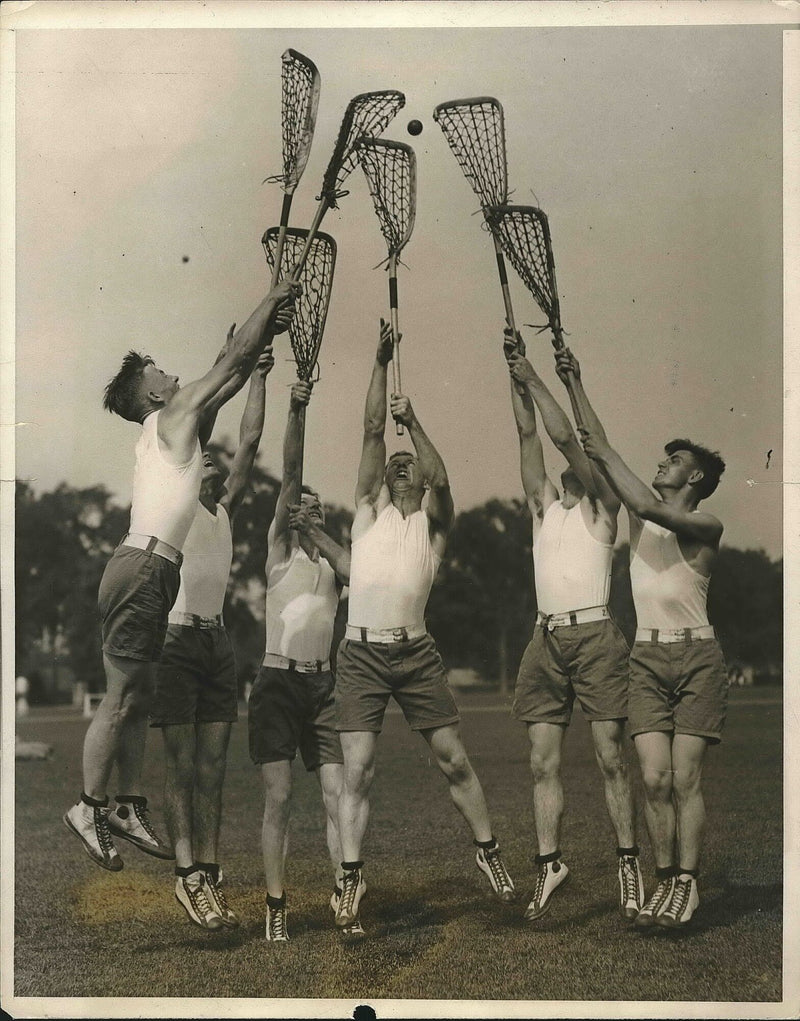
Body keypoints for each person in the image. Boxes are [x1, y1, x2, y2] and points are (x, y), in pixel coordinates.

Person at [64, 277, 300, 872]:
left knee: (138, 699)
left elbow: (228, 375)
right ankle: (88, 806)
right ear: (149, 397)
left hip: (152, 572)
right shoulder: (169, 418)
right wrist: (268, 301)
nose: (169, 375)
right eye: (158, 373)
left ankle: (127, 802)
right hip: (142, 567)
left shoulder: (174, 427)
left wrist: (252, 347)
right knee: (121, 699)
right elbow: (229, 366)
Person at [333, 319, 516, 932]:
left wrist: (415, 424)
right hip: (359, 656)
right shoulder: (366, 514)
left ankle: (488, 852)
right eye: (396, 464)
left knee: (453, 760)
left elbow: (441, 478)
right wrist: (380, 363)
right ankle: (351, 879)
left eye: (408, 463)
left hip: (415, 656)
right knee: (357, 769)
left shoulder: (434, 531)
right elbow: (368, 432)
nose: (402, 466)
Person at [558, 346, 727, 930]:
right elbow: (599, 447)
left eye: (674, 460)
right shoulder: (642, 513)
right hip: (647, 657)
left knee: (685, 778)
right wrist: (572, 378)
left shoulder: (705, 525)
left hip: (698, 657)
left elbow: (638, 498)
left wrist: (630, 482)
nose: (663, 464)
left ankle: (688, 884)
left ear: (696, 476)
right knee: (653, 778)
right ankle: (663, 880)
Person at [503, 329, 642, 923]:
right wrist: (514, 375)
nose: (565, 468)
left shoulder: (601, 507)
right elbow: (529, 431)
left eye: (575, 465)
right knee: (541, 762)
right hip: (545, 640)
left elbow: (564, 434)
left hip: (596, 638)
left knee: (611, 756)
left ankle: (629, 864)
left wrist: (539, 374)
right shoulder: (542, 511)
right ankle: (549, 864)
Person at [150, 347, 276, 931]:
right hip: (175, 643)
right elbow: (205, 421)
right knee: (181, 765)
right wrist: (237, 361)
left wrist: (260, 376)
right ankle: (186, 877)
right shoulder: (176, 505)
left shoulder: (223, 511)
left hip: (218, 646)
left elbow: (249, 440)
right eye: (205, 461)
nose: (216, 465)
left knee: (215, 766)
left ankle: (211, 869)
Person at [247, 380, 353, 943]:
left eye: (312, 505)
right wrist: (297, 408)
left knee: (339, 795)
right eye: (297, 506)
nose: (301, 509)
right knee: (281, 798)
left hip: (324, 689)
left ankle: (344, 893)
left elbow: (358, 573)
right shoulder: (280, 551)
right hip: (276, 685)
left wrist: (324, 534)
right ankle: (276, 904)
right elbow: (289, 472)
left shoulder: (335, 562)